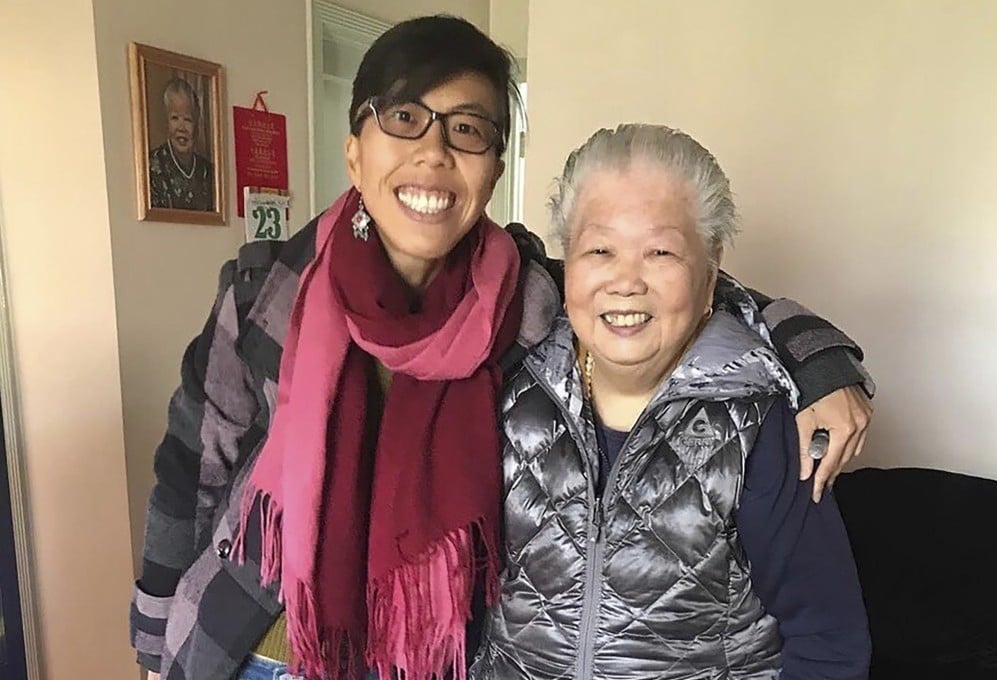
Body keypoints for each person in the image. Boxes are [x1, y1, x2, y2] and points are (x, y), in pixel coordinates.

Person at [129, 16, 873, 680]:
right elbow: (188, 473)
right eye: (404, 118)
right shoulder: (270, 287)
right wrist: (151, 645)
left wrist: (821, 361)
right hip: (254, 648)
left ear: (493, 171)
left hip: (419, 656)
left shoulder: (524, 298)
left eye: (468, 129)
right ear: (356, 152)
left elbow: (669, 287)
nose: (433, 153)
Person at [469, 124, 870, 680]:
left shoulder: (761, 424)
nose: (626, 281)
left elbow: (828, 639)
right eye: (600, 249)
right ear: (567, 267)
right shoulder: (511, 388)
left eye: (659, 251)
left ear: (710, 275)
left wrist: (822, 362)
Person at [149, 77, 214, 211]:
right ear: (166, 123)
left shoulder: (207, 171)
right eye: (174, 118)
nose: (181, 127)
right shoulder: (151, 167)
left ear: (196, 126)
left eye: (188, 119)